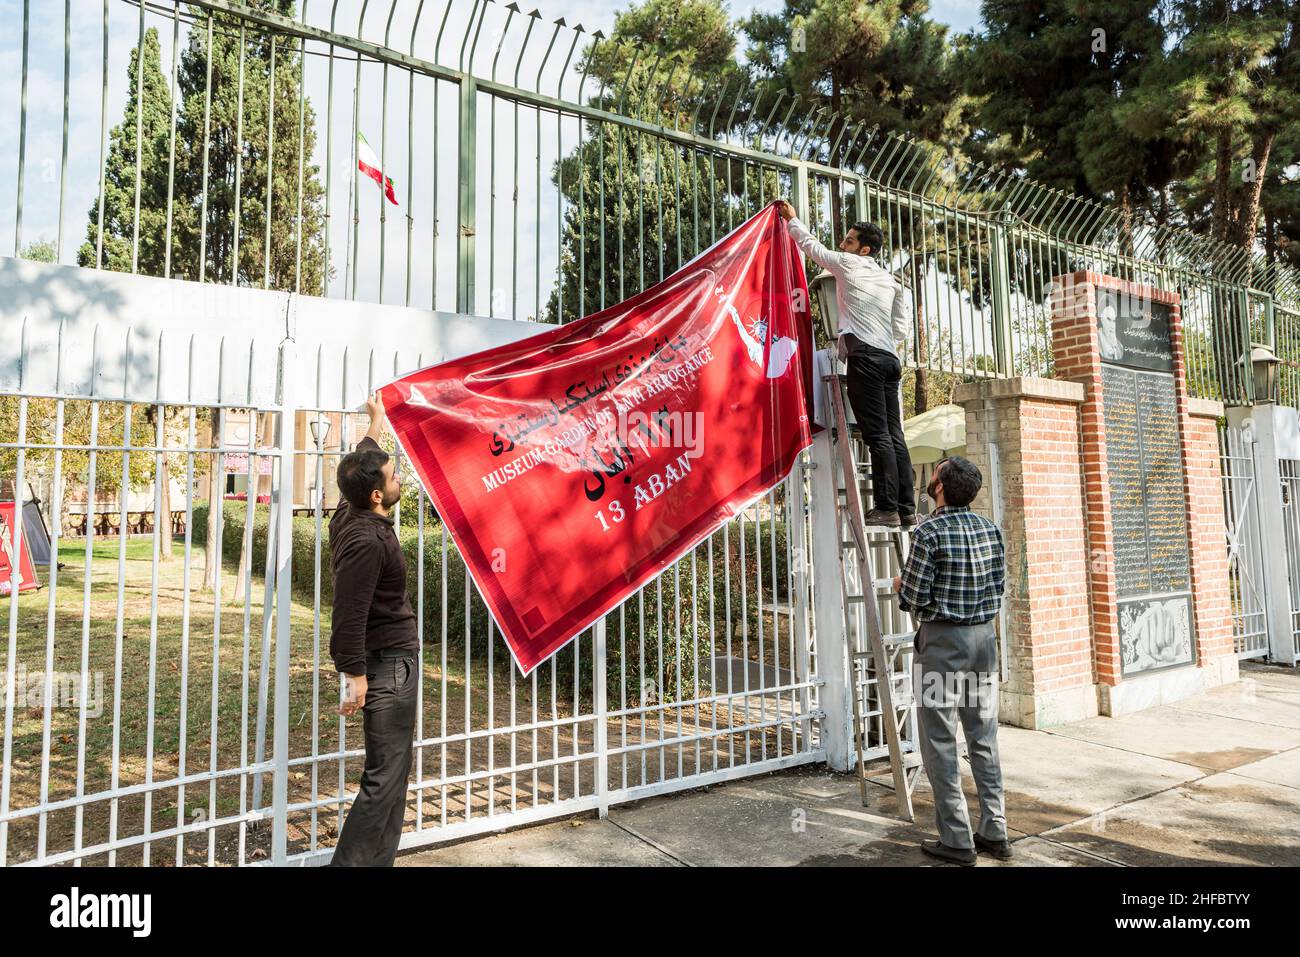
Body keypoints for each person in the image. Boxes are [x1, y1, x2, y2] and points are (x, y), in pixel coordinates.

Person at [892, 456, 1009, 865]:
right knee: (983, 735)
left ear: (939, 486)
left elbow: (913, 598)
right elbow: (999, 584)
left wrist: (900, 584)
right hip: (983, 640)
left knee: (940, 738)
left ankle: (957, 839)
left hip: (943, 644)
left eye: (935, 474)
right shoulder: (990, 528)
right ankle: (995, 830)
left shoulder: (929, 532)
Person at [777, 200, 916, 527]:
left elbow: (813, 249)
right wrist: (878, 336)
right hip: (889, 360)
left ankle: (886, 508)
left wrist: (793, 220)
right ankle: (907, 507)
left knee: (877, 435)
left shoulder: (849, 265)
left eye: (849, 241)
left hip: (865, 358)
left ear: (864, 250)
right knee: (895, 433)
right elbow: (901, 329)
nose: (842, 244)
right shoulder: (892, 281)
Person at [326, 393, 419, 867]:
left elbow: (363, 461)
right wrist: (355, 674)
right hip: (388, 666)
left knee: (395, 772)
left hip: (391, 663)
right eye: (393, 474)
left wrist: (376, 421)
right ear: (378, 495)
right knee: (384, 777)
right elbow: (348, 614)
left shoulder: (350, 510)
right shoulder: (366, 539)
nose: (400, 476)